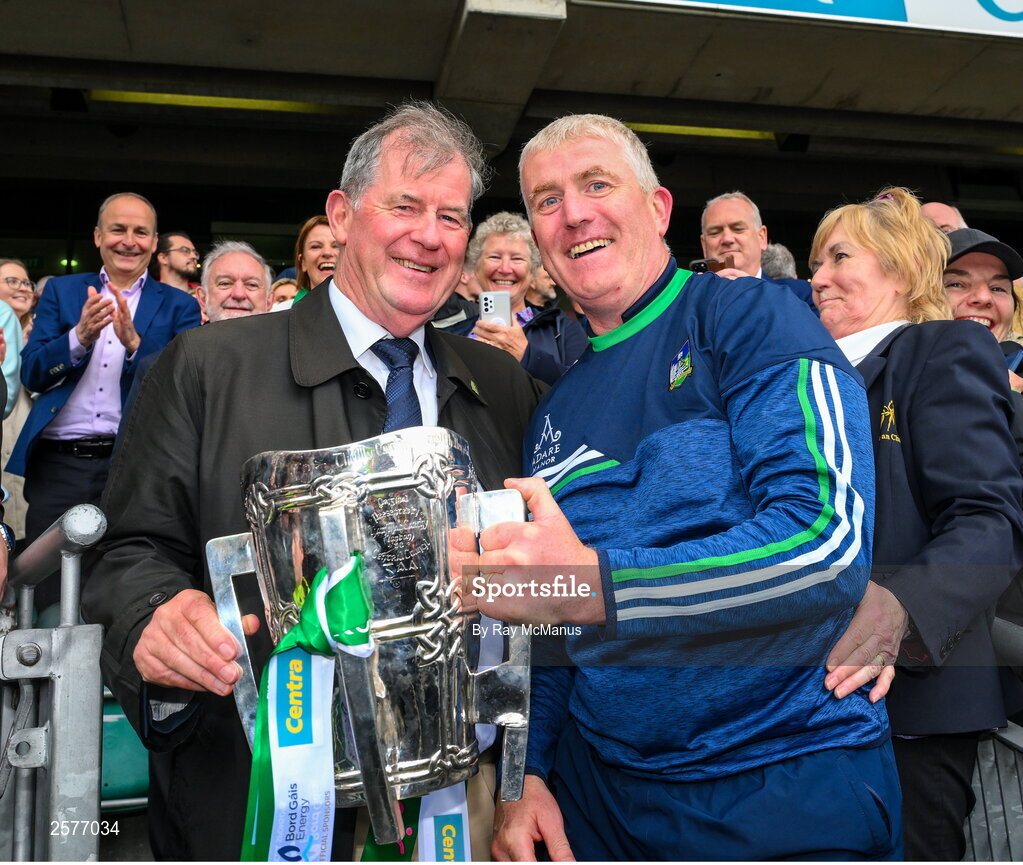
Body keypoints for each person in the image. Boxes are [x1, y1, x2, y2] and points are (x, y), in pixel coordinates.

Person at [82, 102, 544, 861]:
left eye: (451, 216)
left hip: (461, 802)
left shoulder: (504, 385)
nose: (428, 234)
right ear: (341, 214)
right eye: (404, 205)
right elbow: (128, 549)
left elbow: (544, 595)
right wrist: (152, 615)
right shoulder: (205, 367)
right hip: (258, 799)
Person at [470, 114, 898, 861]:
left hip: (779, 785)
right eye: (546, 199)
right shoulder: (555, 406)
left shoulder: (755, 319)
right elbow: (548, 627)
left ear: (658, 208)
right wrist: (525, 772)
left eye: (596, 183)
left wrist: (595, 586)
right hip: (602, 801)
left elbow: (824, 544)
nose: (573, 212)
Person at [810, 187, 1023, 861]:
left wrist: (902, 607)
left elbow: (988, 519)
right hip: (805, 707)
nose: (817, 277)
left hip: (912, 714)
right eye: (813, 263)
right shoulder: (803, 380)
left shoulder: (941, 350)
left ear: (900, 271)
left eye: (839, 255)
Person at [8, 193, 201, 610]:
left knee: (122, 585)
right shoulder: (63, 290)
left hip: (134, 464)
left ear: (153, 243)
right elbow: (32, 372)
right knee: (48, 591)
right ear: (98, 236)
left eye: (140, 232)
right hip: (60, 463)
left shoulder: (180, 305)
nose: (128, 241)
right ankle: (41, 676)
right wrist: (78, 339)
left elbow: (179, 389)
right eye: (117, 229)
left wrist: (136, 345)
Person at [467, 212, 587, 384]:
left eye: (517, 259)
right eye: (494, 257)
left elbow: (583, 389)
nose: (505, 268)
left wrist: (527, 354)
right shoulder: (454, 331)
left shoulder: (562, 328)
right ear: (476, 268)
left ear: (532, 272)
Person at [700, 190, 815, 308]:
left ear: (761, 237)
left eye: (738, 229)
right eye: (715, 232)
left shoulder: (802, 295)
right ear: (704, 245)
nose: (727, 239)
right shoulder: (690, 300)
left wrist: (757, 293)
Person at [195, 240, 273, 323]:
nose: (239, 294)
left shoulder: (285, 336)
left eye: (252, 285)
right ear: (203, 298)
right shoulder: (186, 336)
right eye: (225, 283)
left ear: (268, 301)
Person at [293, 214, 340, 300]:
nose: (327, 252)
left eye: (336, 245)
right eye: (316, 246)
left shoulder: (370, 311)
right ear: (302, 262)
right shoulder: (282, 311)